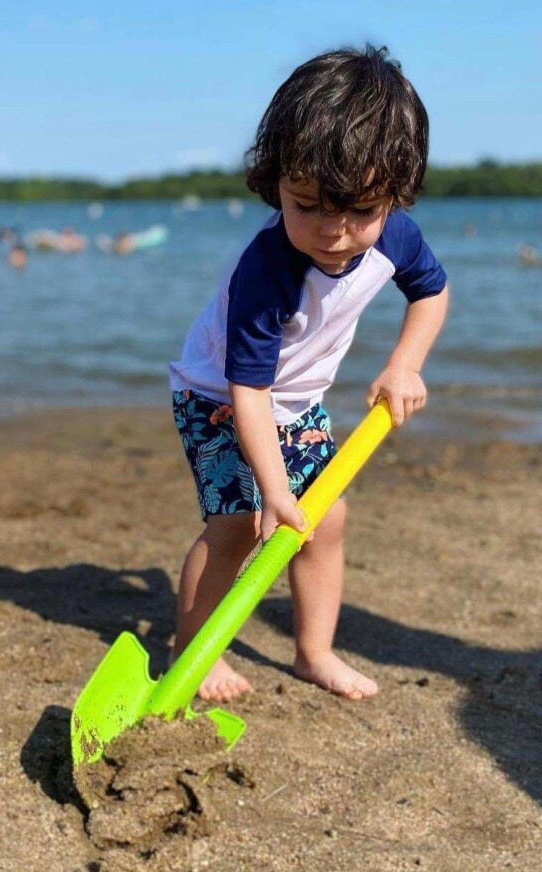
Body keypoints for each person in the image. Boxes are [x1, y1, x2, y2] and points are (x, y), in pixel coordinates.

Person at [169, 46, 449, 704]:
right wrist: (272, 490)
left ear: (395, 192)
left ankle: (314, 651)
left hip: (295, 399)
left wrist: (403, 364)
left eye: (358, 210)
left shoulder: (396, 237)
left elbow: (432, 293)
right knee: (239, 525)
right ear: (277, 185)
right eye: (309, 206)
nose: (335, 231)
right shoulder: (268, 271)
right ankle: (192, 650)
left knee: (329, 519)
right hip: (217, 394)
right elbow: (248, 390)